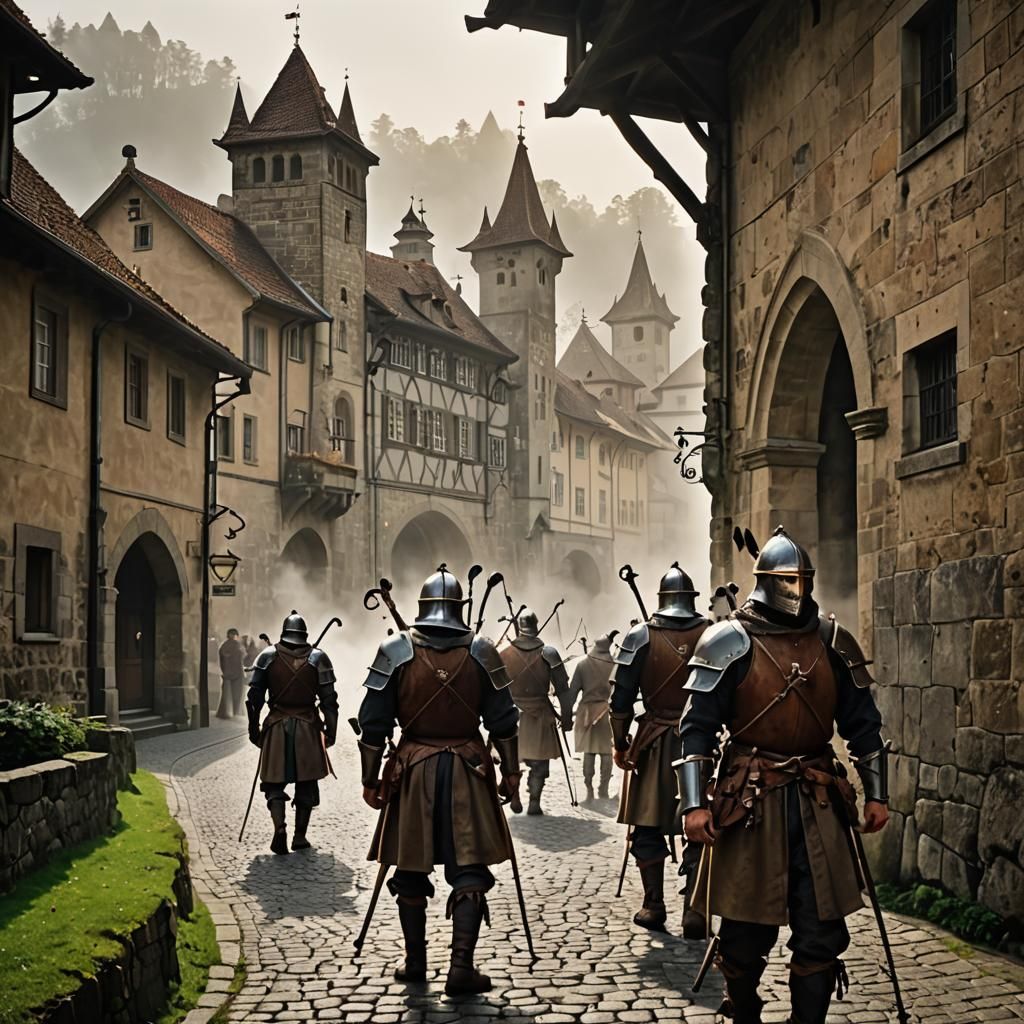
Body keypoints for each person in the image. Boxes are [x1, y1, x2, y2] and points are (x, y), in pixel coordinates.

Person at [677, 526, 889, 1024]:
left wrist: (877, 794)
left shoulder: (834, 641)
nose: (795, 590)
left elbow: (864, 724)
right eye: (786, 580)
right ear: (766, 581)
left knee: (821, 930)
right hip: (751, 801)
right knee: (745, 933)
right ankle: (744, 1010)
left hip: (819, 802)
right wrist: (693, 804)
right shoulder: (728, 640)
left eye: (802, 580)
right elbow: (697, 731)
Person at [357, 566, 521, 996]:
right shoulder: (482, 651)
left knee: (410, 863)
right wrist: (511, 771)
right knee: (468, 868)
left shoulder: (396, 650)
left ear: (423, 607)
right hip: (468, 769)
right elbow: (504, 723)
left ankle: (416, 963)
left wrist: (371, 778)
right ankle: (460, 968)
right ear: (459, 609)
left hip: (413, 769)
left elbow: (373, 724)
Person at [609, 563, 710, 932]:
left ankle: (654, 905)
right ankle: (695, 909)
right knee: (701, 823)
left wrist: (620, 743)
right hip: (702, 745)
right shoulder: (713, 635)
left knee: (647, 825)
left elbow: (620, 701)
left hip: (652, 743)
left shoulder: (640, 637)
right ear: (691, 599)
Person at [245, 611, 339, 854]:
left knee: (274, 784)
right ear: (304, 635)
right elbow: (330, 701)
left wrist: (253, 728)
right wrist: (331, 730)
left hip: (277, 727)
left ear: (284, 633)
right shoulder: (318, 658)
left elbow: (254, 699)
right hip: (308, 728)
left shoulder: (268, 656)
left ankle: (280, 828)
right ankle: (299, 836)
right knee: (306, 784)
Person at [500, 609, 571, 815]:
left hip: (512, 715)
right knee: (539, 763)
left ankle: (516, 794)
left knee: (511, 759)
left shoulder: (504, 653)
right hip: (540, 714)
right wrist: (566, 719)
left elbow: (495, 689)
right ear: (537, 626)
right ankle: (534, 801)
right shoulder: (549, 653)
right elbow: (563, 691)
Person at [567, 631, 618, 802]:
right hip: (606, 713)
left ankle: (589, 790)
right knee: (605, 753)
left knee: (589, 752)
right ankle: (602, 791)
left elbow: (573, 691)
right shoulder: (615, 665)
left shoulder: (583, 664)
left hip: (587, 712)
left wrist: (566, 714)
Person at [217, 628, 246, 719]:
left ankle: (227, 712)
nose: (234, 636)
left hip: (229, 673)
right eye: (233, 634)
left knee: (228, 694)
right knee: (236, 694)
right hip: (235, 673)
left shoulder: (225, 645)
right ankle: (234, 712)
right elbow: (242, 656)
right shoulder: (235, 645)